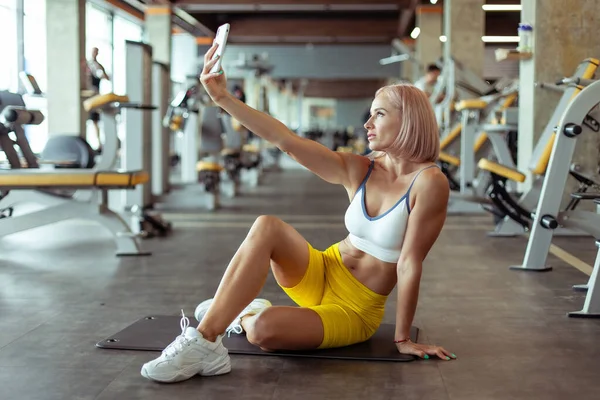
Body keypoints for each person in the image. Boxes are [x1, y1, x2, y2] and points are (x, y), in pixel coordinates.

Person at [141, 43, 456, 383]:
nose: (367, 123)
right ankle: (205, 343)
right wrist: (222, 99)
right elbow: (286, 141)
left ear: (408, 119)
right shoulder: (360, 168)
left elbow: (409, 262)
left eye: (379, 114)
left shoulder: (429, 183)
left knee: (263, 331)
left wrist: (403, 337)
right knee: (267, 226)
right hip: (321, 271)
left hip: (353, 309)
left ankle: (247, 311)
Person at [87, 47, 110, 153]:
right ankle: (97, 143)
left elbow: (106, 77)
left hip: (96, 95)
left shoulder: (98, 65)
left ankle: (99, 144)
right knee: (93, 121)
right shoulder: (88, 65)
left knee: (96, 120)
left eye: (96, 52)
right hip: (89, 96)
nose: (95, 54)